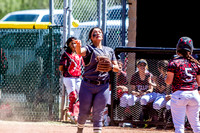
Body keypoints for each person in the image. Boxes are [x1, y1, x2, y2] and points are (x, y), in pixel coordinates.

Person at [75, 27, 119, 133]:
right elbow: (80, 52)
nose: (98, 33)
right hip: (87, 85)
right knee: (84, 113)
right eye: (94, 33)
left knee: (98, 113)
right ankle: (79, 130)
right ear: (91, 37)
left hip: (102, 86)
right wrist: (78, 46)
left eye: (99, 32)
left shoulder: (109, 50)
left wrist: (111, 68)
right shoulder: (89, 48)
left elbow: (117, 68)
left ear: (102, 36)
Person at [165, 37, 200, 133]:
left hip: (179, 95)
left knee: (179, 127)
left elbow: (168, 81)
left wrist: (165, 77)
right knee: (196, 125)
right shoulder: (195, 63)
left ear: (178, 49)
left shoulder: (173, 62)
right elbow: (199, 83)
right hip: (194, 95)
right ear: (191, 49)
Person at [59, 37, 83, 123]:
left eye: (75, 43)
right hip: (68, 77)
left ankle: (77, 113)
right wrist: (64, 71)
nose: (74, 45)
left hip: (77, 77)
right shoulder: (66, 54)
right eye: (72, 43)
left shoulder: (79, 54)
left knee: (82, 95)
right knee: (73, 95)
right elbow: (61, 67)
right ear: (68, 45)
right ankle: (71, 113)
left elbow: (83, 65)